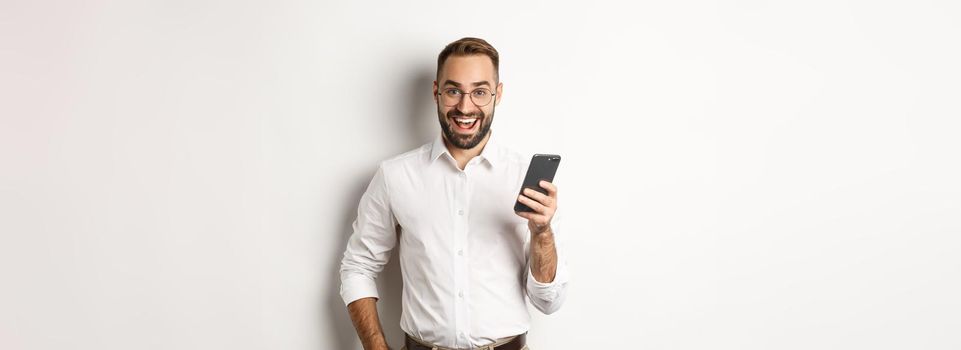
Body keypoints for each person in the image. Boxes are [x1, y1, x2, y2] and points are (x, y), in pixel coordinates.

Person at [339, 37, 569, 350]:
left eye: (479, 92)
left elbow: (549, 302)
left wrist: (542, 233)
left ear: (496, 95)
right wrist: (376, 346)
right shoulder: (395, 176)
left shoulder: (522, 177)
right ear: (436, 92)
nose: (465, 106)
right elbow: (358, 267)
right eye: (453, 91)